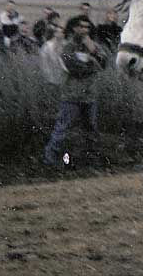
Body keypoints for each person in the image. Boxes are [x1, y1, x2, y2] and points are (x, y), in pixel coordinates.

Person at [42, 16, 109, 167]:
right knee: (63, 128)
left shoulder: (94, 46)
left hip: (90, 95)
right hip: (72, 95)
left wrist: (93, 51)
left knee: (91, 129)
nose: (84, 30)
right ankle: (50, 160)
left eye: (87, 27)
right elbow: (73, 67)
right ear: (74, 28)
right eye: (81, 27)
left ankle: (91, 159)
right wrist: (93, 64)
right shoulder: (68, 47)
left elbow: (104, 63)